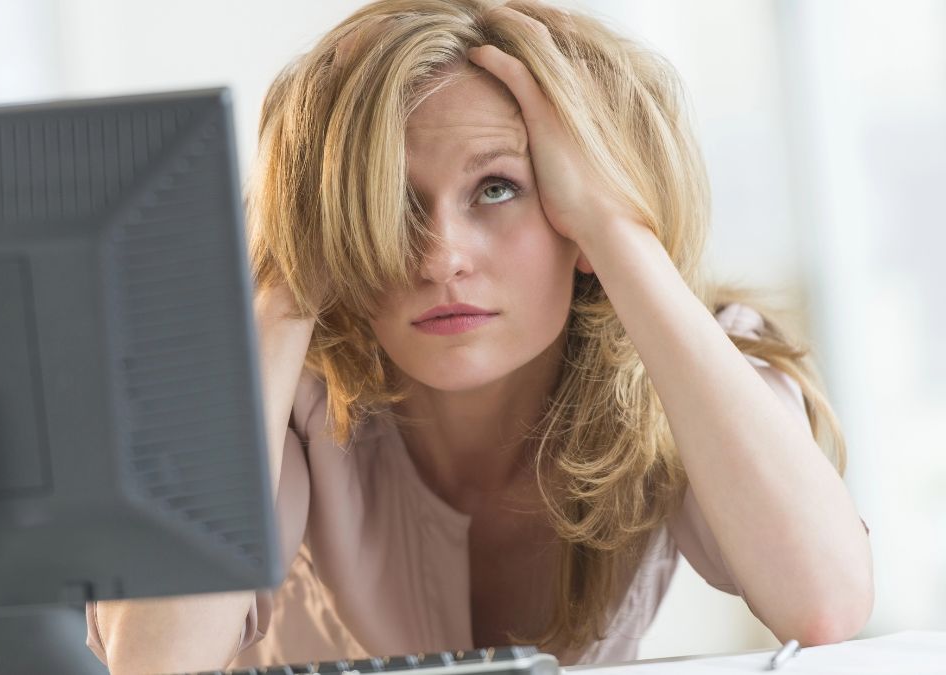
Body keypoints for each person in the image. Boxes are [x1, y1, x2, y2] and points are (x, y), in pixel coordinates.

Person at [85, 0, 874, 671]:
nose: (440, 257)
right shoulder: (280, 389)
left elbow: (825, 606)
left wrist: (618, 230)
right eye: (391, 199)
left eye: (497, 188)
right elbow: (153, 660)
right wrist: (291, 275)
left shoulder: (686, 368)